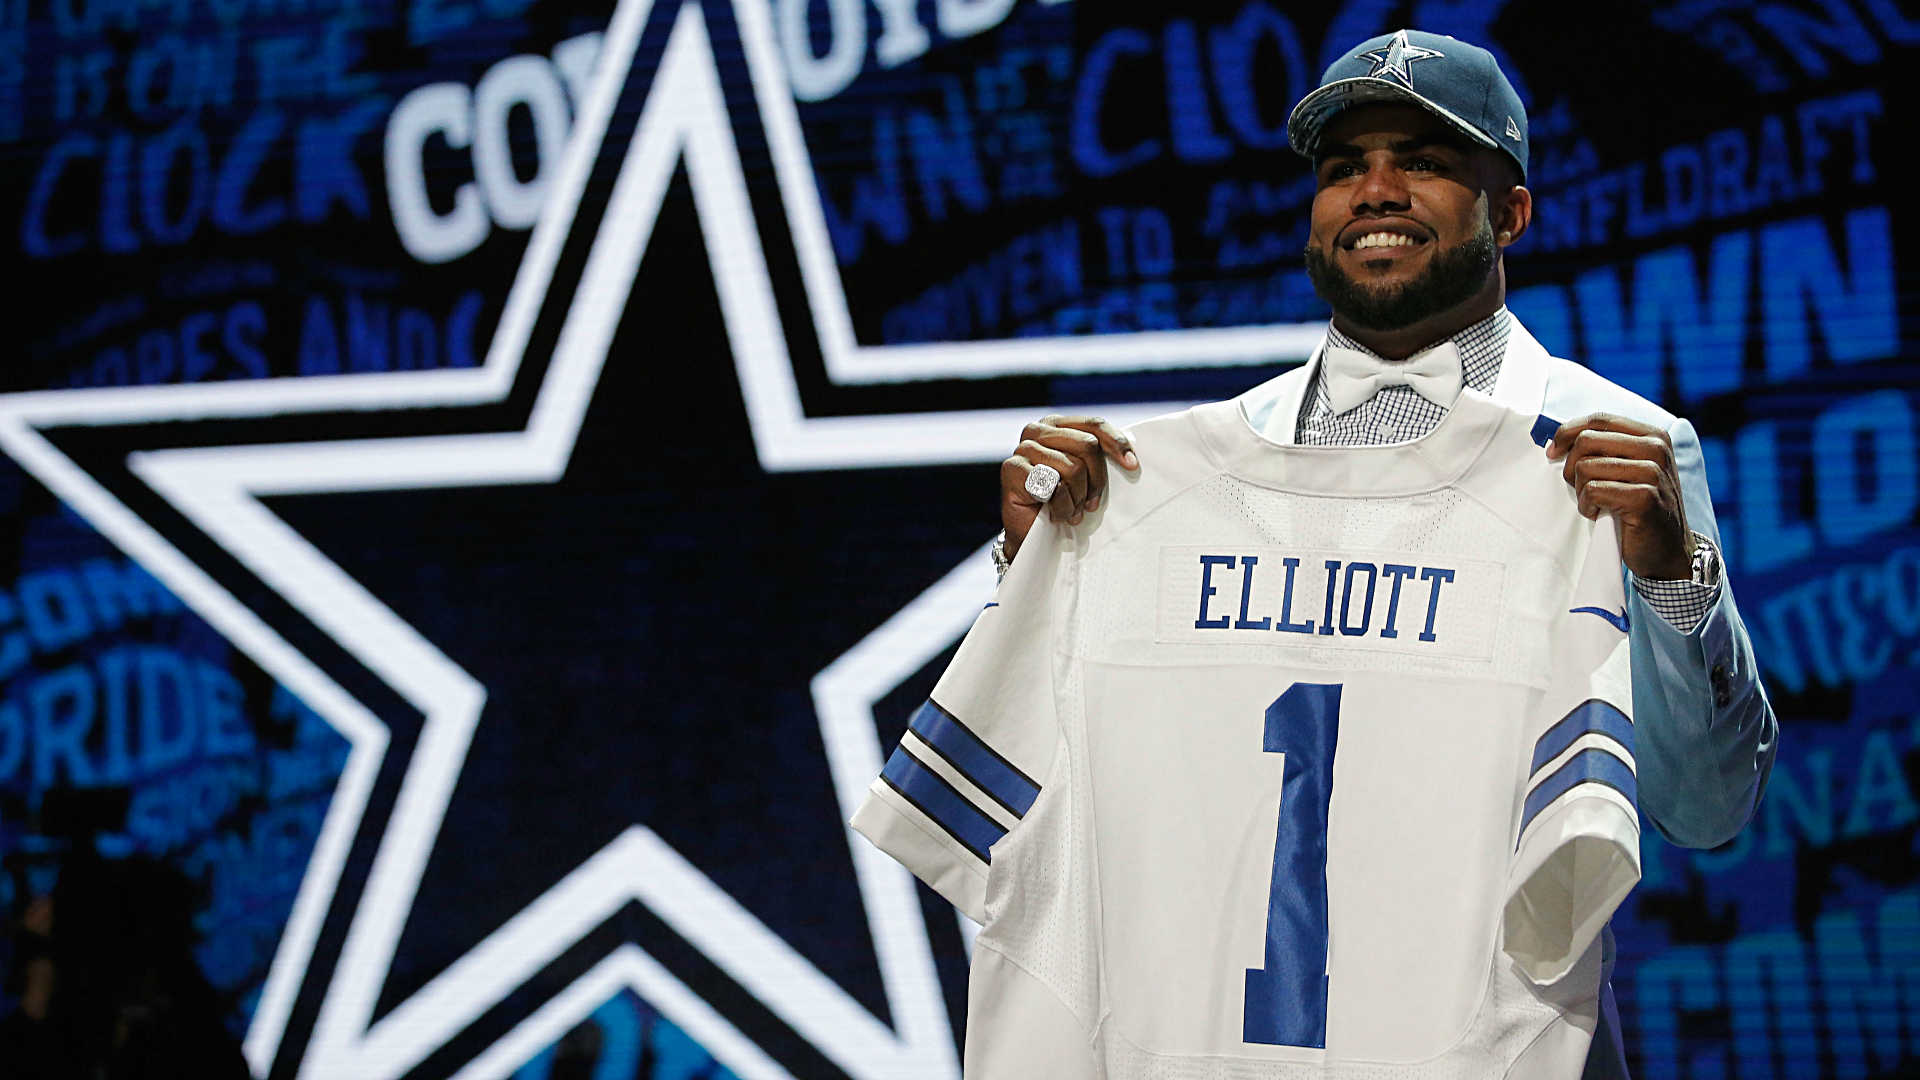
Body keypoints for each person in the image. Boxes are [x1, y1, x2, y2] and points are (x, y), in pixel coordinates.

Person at [988, 29, 1777, 1077]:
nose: (1375, 191)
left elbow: (1706, 809)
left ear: (1512, 213)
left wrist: (1670, 577)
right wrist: (1035, 574)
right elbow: (1052, 797)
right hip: (1224, 1043)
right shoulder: (1195, 467)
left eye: (1425, 161)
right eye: (1342, 169)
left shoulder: (1621, 447)